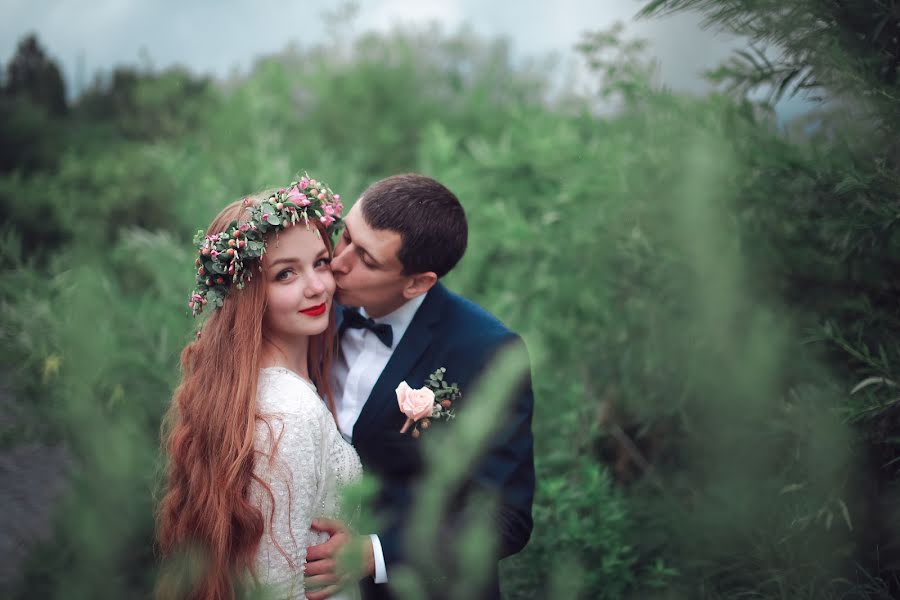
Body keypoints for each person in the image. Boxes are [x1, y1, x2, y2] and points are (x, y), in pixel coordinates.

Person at [303, 174, 535, 600]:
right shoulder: (311, 306)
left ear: (418, 283)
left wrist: (373, 554)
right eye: (345, 236)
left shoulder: (486, 352)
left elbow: (507, 518)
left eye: (367, 260)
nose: (338, 264)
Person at [156, 177, 363, 600]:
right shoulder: (290, 414)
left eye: (321, 262)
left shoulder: (264, 390)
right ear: (248, 293)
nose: (317, 286)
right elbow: (274, 585)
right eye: (285, 273)